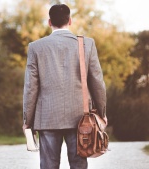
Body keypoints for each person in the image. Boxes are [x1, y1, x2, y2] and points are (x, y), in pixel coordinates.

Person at [22, 4, 107, 169]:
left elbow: (30, 88)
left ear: (49, 22)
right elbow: (97, 82)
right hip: (81, 118)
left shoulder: (36, 47)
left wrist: (28, 120)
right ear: (70, 21)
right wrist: (102, 113)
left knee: (48, 165)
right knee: (78, 164)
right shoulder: (87, 44)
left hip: (47, 117)